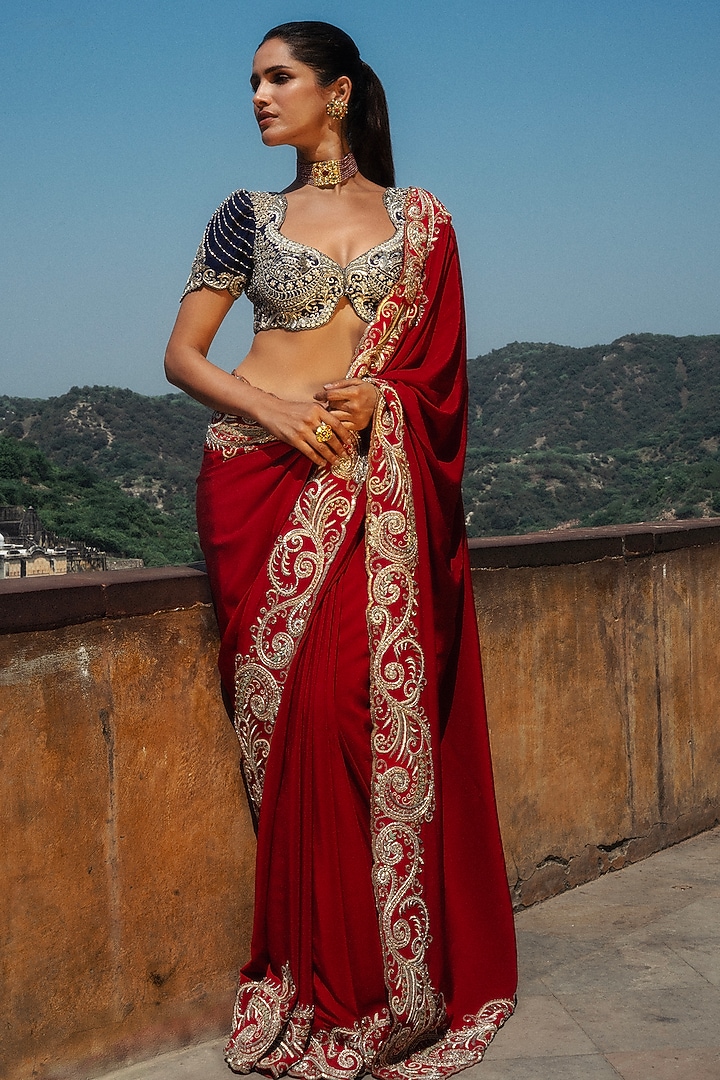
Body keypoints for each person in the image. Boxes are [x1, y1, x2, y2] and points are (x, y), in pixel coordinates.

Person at [165, 21, 517, 1079]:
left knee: (358, 710)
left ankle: (383, 980)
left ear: (340, 90)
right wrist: (276, 413)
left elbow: (441, 380)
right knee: (296, 731)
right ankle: (316, 975)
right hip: (259, 485)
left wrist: (383, 402)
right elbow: (183, 355)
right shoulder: (246, 215)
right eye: (253, 81)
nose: (259, 96)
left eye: (279, 78)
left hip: (372, 488)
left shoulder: (423, 221)